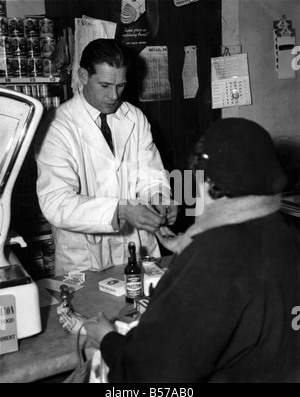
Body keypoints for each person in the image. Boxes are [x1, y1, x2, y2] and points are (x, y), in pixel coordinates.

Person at [81, 118, 300, 383]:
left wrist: (107, 339)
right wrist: (191, 245)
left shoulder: (212, 257)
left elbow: (153, 376)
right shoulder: (289, 231)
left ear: (206, 181)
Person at [35, 39, 177, 276]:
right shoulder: (57, 127)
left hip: (137, 245)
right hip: (85, 256)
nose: (114, 95)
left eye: (121, 85)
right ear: (83, 76)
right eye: (105, 85)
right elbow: (56, 202)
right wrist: (121, 210)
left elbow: (151, 174)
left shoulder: (134, 117)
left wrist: (159, 197)